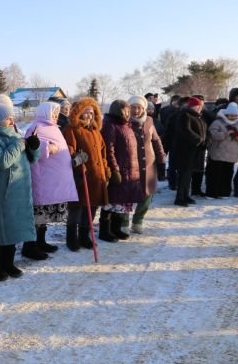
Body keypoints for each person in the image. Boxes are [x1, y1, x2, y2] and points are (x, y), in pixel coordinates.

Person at [0, 95, 38, 280]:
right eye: (8, 118)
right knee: (0, 231)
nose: (12, 121)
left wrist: (33, 147)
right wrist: (19, 144)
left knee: (12, 230)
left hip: (17, 191)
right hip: (1, 192)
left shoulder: (14, 134)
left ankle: (8, 263)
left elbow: (31, 160)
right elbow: (2, 161)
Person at [21, 102, 78, 258]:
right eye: (53, 113)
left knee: (44, 216)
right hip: (42, 179)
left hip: (52, 180)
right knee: (38, 215)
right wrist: (47, 148)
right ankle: (29, 247)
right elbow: (30, 146)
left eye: (56, 113)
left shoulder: (54, 128)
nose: (55, 116)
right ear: (44, 112)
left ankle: (41, 242)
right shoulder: (35, 127)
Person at [63, 98, 110, 251]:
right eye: (86, 112)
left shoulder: (96, 132)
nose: (90, 116)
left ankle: (84, 236)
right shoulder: (72, 129)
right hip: (81, 177)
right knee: (77, 209)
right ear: (79, 113)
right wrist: (77, 160)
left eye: (92, 113)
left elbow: (103, 154)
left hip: (97, 178)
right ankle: (72, 239)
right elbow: (68, 150)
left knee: (92, 208)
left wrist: (106, 170)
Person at [100, 100, 143, 241]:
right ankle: (104, 232)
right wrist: (115, 170)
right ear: (118, 111)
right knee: (110, 202)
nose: (127, 113)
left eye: (128, 110)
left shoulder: (126, 126)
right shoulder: (110, 126)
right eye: (125, 110)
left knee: (121, 202)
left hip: (129, 170)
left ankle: (116, 229)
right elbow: (109, 150)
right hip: (118, 171)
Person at [128, 96, 166, 234]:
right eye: (133, 107)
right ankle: (123, 222)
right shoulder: (125, 122)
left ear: (144, 108)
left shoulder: (149, 121)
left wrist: (161, 158)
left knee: (147, 194)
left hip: (149, 163)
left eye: (139, 107)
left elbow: (156, 140)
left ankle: (138, 221)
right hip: (131, 164)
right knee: (128, 195)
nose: (136, 110)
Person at [171, 97, 208, 206]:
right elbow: (186, 131)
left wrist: (205, 140)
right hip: (185, 150)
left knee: (189, 174)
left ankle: (186, 195)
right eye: (198, 106)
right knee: (183, 174)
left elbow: (204, 130)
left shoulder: (199, 117)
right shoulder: (185, 115)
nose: (200, 108)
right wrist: (198, 139)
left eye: (201, 106)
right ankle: (179, 198)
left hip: (195, 150)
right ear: (192, 106)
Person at [205, 102, 238, 198]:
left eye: (235, 115)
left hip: (231, 155)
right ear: (227, 114)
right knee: (214, 175)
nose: (233, 117)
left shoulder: (237, 125)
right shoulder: (217, 122)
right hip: (217, 154)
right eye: (231, 115)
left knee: (227, 175)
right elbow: (213, 134)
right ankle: (211, 193)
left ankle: (224, 193)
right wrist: (226, 133)